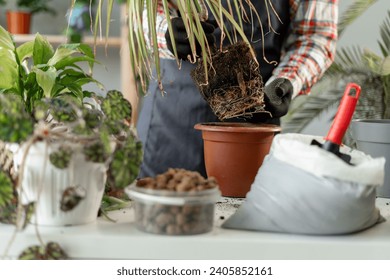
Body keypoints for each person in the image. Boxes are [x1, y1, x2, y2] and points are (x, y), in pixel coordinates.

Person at [137, 0, 339, 178]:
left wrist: (287, 80)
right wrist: (166, 33)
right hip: (172, 119)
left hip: (254, 122)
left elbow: (315, 36)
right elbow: (145, 9)